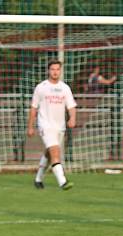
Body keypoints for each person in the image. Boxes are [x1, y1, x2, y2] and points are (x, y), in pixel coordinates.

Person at [27, 60, 77, 190]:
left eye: (57, 69)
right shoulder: (41, 87)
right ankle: (63, 182)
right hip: (45, 125)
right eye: (52, 69)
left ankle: (38, 179)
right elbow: (33, 108)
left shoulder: (65, 88)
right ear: (48, 71)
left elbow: (71, 106)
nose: (55, 72)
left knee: (49, 154)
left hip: (59, 127)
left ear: (60, 71)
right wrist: (31, 127)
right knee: (55, 153)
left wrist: (72, 118)